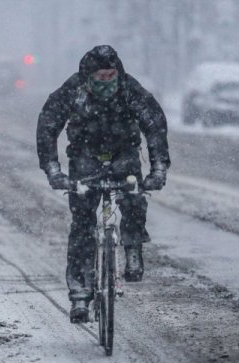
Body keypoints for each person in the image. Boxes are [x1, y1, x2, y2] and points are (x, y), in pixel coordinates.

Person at [36, 45, 170, 323]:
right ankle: (80, 293)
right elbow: (48, 125)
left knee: (134, 197)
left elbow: (154, 125)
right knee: (83, 224)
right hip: (85, 157)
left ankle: (133, 247)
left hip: (124, 155)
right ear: (88, 76)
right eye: (101, 77)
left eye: (111, 76)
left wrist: (158, 169)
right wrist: (53, 169)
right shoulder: (73, 91)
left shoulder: (130, 89)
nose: (107, 83)